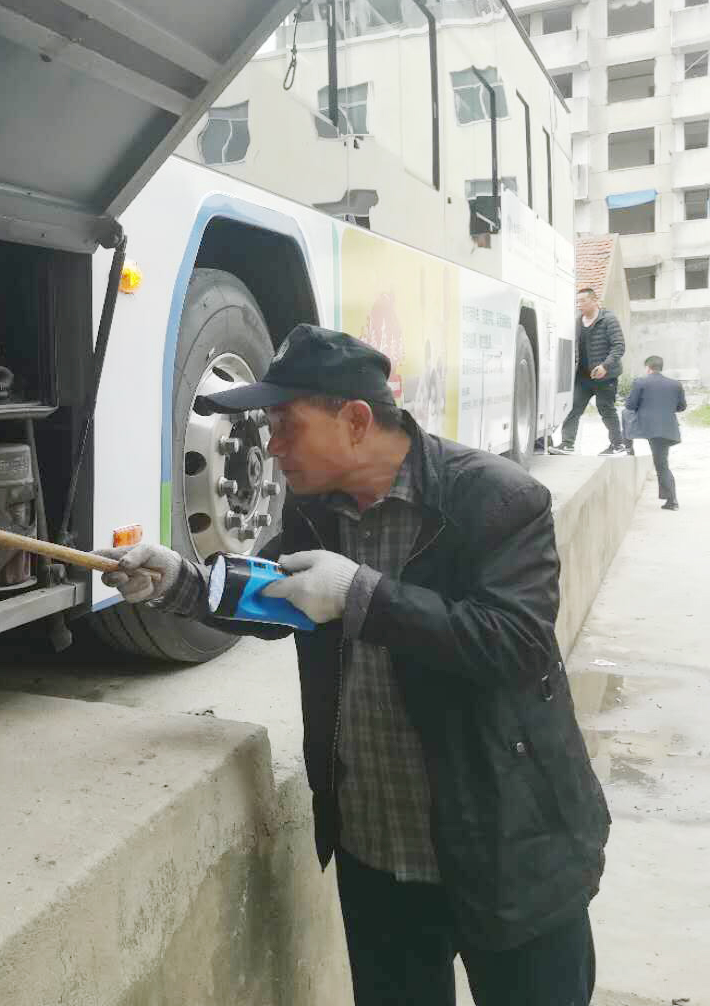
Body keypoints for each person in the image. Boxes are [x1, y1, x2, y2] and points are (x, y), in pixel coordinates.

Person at [97, 324, 610, 1006]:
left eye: (286, 424)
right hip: (378, 849)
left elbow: (517, 645)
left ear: (357, 420)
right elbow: (277, 593)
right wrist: (181, 584)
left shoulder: (496, 499)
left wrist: (363, 597)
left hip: (508, 845)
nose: (271, 446)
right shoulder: (316, 508)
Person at [550, 287, 627, 456]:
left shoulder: (608, 319)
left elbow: (619, 346)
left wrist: (605, 366)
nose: (579, 305)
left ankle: (618, 445)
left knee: (606, 409)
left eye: (583, 301)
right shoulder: (577, 321)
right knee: (573, 408)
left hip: (605, 376)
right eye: (577, 302)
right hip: (582, 377)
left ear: (594, 301)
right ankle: (567, 444)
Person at [624, 355, 686, 510]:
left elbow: (630, 405)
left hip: (647, 427)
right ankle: (671, 500)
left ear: (648, 368)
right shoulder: (676, 384)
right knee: (662, 463)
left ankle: (627, 447)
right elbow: (682, 407)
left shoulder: (640, 382)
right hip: (667, 429)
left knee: (625, 414)